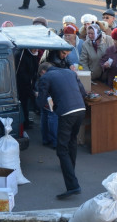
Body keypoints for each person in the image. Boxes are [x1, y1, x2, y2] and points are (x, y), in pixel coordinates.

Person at [36, 62, 87, 199]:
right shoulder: (70, 72)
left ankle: (73, 186)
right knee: (72, 141)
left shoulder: (46, 77)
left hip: (66, 113)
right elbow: (83, 92)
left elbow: (40, 103)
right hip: (81, 109)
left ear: (43, 72)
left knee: (61, 148)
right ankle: (70, 169)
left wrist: (38, 96)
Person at [15, 46, 39, 130]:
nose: (36, 49)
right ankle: (25, 123)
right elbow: (22, 75)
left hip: (28, 84)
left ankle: (26, 121)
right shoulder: (23, 56)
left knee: (25, 105)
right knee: (24, 105)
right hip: (23, 85)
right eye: (35, 48)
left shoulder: (32, 55)